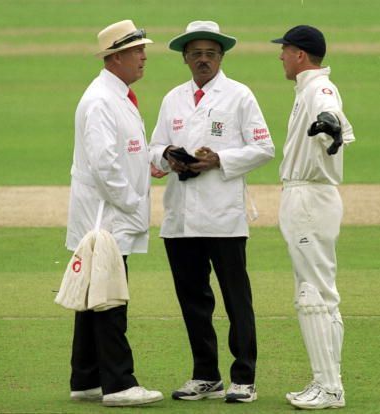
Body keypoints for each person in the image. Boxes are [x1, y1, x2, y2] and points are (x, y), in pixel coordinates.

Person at [150, 20, 274, 404]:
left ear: (221, 57)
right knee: (193, 300)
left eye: (210, 54)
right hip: (181, 216)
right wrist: (170, 157)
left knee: (237, 299)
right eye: (196, 54)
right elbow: (154, 149)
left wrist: (220, 159)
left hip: (224, 216)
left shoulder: (240, 96)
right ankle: (206, 375)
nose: (203, 60)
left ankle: (244, 378)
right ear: (185, 58)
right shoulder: (173, 98)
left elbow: (264, 148)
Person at [64, 19, 163, 407]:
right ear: (116, 56)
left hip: (108, 213)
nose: (143, 57)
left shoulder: (115, 94)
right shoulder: (102, 100)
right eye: (138, 51)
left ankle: (86, 377)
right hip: (107, 215)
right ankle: (120, 384)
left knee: (94, 292)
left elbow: (128, 153)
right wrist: (133, 204)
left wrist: (158, 161)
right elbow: (105, 165)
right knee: (109, 297)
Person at [270, 25, 356, 410]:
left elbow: (330, 113)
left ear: (300, 54)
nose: (281, 57)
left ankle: (329, 387)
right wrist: (330, 127)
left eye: (285, 50)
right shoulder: (308, 87)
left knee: (313, 294)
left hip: (309, 197)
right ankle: (327, 382)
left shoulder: (317, 88)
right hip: (309, 196)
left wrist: (329, 124)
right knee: (322, 293)